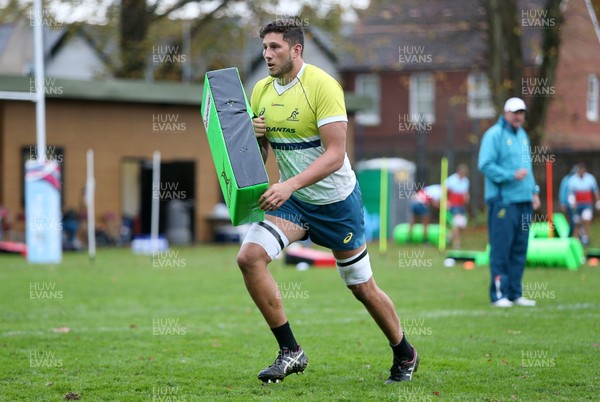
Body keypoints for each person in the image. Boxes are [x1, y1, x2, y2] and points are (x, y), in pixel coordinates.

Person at [236, 19, 418, 385]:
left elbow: (336, 154)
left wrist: (288, 185)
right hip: (295, 203)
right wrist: (256, 138)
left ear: (296, 50)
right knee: (249, 257)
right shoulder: (260, 91)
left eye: (275, 47)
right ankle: (291, 351)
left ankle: (404, 351)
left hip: (337, 203)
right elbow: (260, 153)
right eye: (265, 48)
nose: (267, 54)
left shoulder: (322, 86)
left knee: (361, 287)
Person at [478, 97, 540, 308]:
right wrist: (510, 175)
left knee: (520, 249)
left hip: (524, 201)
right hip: (503, 202)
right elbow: (485, 165)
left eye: (521, 112)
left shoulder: (523, 136)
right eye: (514, 112)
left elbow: (528, 168)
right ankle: (499, 294)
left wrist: (534, 191)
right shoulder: (494, 135)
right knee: (501, 249)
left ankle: (515, 293)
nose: (518, 116)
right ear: (505, 113)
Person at [567, 163, 600, 246]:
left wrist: (597, 201)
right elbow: (570, 193)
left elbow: (595, 191)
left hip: (587, 203)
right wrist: (572, 201)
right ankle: (577, 238)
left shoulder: (590, 178)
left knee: (586, 218)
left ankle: (584, 235)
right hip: (577, 204)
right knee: (577, 222)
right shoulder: (573, 180)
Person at [445, 164, 470, 249]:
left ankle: (449, 236)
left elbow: (465, 193)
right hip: (453, 204)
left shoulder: (466, 181)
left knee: (461, 224)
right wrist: (446, 201)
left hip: (461, 205)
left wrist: (466, 197)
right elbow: (444, 191)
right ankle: (457, 243)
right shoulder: (451, 180)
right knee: (456, 223)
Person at [558, 166, 578, 236]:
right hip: (569, 205)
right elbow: (562, 192)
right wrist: (563, 203)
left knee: (578, 221)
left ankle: (579, 236)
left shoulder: (577, 180)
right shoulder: (566, 179)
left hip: (578, 204)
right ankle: (570, 235)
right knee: (572, 221)